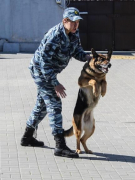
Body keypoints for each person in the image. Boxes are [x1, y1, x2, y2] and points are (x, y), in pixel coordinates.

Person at [20, 7, 91, 158]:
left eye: (78, 22)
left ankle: (27, 137)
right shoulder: (54, 36)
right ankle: (60, 145)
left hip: (49, 72)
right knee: (54, 103)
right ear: (65, 21)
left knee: (41, 106)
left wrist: (87, 58)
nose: (76, 25)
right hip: (41, 72)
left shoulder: (73, 33)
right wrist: (55, 84)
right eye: (73, 22)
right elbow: (44, 63)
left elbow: (76, 51)